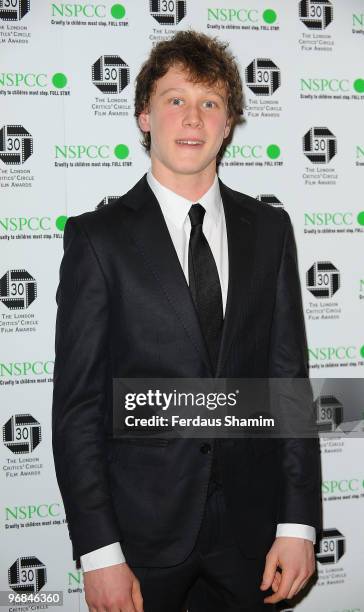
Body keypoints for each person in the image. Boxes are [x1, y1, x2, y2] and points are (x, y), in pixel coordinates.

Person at [52, 30, 321, 612]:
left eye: (210, 102)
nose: (192, 117)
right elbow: (78, 409)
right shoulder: (97, 241)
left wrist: (298, 524)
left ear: (228, 124)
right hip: (141, 538)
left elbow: (287, 385)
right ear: (145, 115)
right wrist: (99, 552)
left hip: (252, 532)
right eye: (175, 99)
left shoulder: (270, 231)